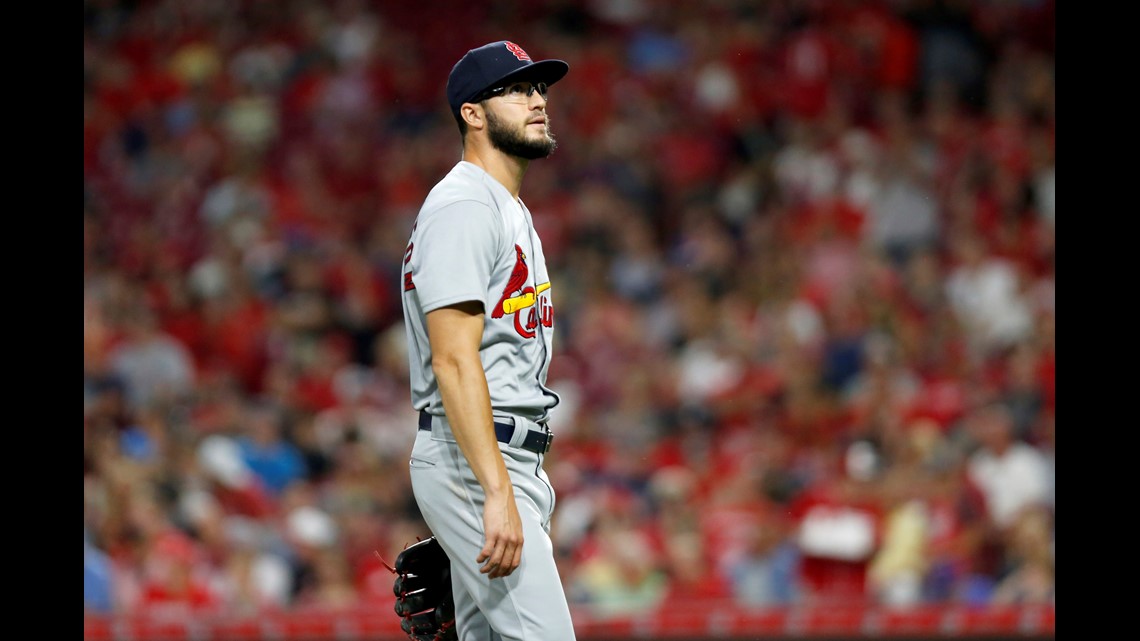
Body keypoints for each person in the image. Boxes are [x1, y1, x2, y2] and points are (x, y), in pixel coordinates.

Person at [399, 41, 575, 640]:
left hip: (498, 455)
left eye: (540, 89)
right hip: (479, 456)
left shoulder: (505, 207)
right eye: (516, 89)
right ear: (472, 113)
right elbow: (452, 357)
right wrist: (491, 492)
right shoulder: (465, 205)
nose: (536, 100)